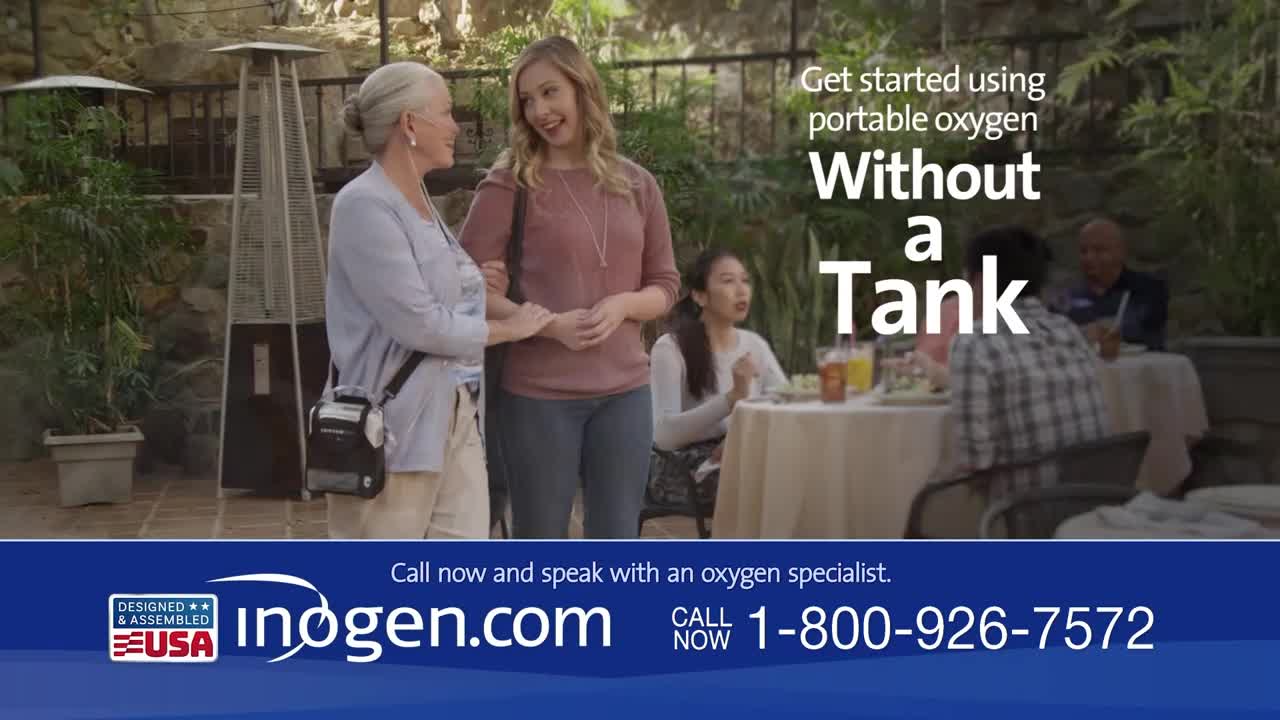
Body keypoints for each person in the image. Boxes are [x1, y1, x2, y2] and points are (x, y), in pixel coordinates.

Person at [459, 36, 681, 538]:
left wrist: (624, 304)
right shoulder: (509, 185)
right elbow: (463, 288)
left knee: (618, 541)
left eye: (549, 92)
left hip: (625, 394)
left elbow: (665, 285)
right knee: (542, 545)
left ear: (583, 90)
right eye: (527, 100)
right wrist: (548, 325)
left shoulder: (639, 185)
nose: (539, 110)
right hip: (538, 398)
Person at [325, 61, 553, 539]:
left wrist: (473, 278)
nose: (455, 126)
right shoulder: (363, 204)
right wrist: (512, 328)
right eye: (445, 113)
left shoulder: (420, 200)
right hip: (393, 428)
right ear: (409, 124)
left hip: (453, 413)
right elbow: (420, 323)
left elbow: (440, 291)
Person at [903, 225, 1111, 496]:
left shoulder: (974, 343)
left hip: (1024, 514)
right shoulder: (1066, 329)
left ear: (978, 280)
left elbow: (977, 463)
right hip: (1095, 502)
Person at [648, 248, 787, 507]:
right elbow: (663, 435)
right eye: (727, 281)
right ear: (700, 296)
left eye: (745, 280)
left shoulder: (754, 344)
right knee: (773, 480)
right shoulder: (671, 348)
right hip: (683, 470)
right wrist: (732, 398)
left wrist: (737, 441)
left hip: (741, 455)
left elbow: (787, 403)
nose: (741, 289)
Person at [1062, 218, 1169, 352]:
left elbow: (1149, 333)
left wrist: (1100, 332)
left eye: (1098, 250)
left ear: (1121, 253)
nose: (1088, 258)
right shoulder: (1069, 295)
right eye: (1083, 251)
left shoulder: (1148, 289)